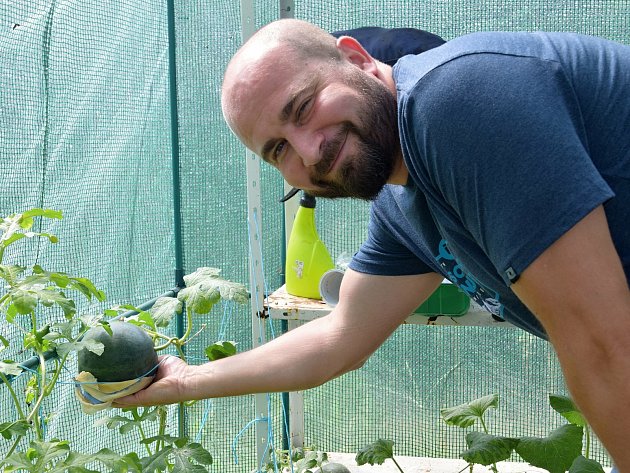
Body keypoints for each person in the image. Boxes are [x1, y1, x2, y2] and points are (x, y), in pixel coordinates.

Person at [117, 19, 630, 470]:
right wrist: (186, 380)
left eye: (302, 106)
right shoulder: (403, 206)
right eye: (278, 149)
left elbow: (603, 341)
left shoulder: (456, 99)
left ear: (356, 59)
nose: (309, 151)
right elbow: (339, 336)